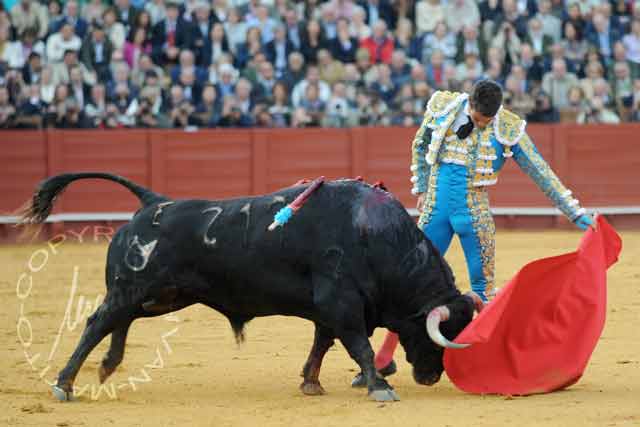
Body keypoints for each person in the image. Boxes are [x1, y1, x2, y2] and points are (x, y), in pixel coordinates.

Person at [351, 79, 594, 387]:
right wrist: (423, 187)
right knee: (406, 287)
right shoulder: (444, 107)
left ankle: (491, 363)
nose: (481, 125)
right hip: (436, 209)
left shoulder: (506, 126)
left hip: (474, 214)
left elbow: (540, 170)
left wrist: (575, 213)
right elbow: (421, 144)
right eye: (479, 118)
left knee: (483, 290)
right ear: (470, 104)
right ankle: (382, 360)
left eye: (487, 121)